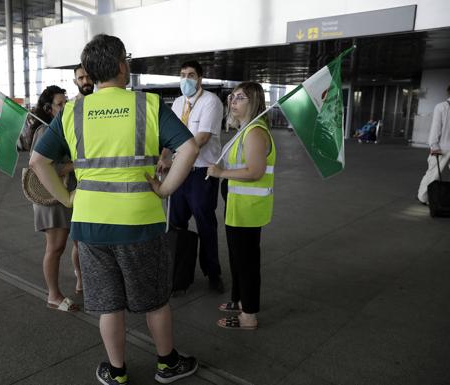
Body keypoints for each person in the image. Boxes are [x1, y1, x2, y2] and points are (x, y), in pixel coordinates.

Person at [30, 34, 200, 385]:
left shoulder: (73, 111)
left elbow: (37, 162)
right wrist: (166, 188)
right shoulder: (148, 105)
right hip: (141, 222)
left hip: (90, 224)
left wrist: (66, 198)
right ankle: (167, 365)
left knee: (108, 304)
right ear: (123, 65)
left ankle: (117, 371)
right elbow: (189, 148)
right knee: (154, 301)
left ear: (90, 73)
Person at [207, 82, 275, 330]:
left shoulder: (255, 132)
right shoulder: (245, 130)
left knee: (246, 262)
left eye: (240, 98)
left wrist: (221, 172)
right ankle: (238, 300)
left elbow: (255, 171)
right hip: (238, 207)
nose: (232, 102)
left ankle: (249, 315)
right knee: (237, 258)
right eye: (232, 97)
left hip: (249, 209)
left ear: (254, 101)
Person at [158, 60, 225, 293]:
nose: (186, 79)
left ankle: (212, 272)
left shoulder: (211, 102)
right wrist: (163, 156)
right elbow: (169, 136)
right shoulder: (177, 103)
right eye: (183, 74)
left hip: (201, 172)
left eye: (191, 75)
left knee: (205, 222)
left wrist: (175, 158)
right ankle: (178, 273)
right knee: (176, 223)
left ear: (200, 79)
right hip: (180, 172)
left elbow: (203, 137)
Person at [28, 85, 82, 311]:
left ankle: (80, 280)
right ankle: (54, 295)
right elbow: (45, 166)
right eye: (60, 104)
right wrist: (76, 164)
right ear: (49, 108)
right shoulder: (45, 131)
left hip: (66, 193)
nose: (65, 106)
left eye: (66, 102)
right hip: (52, 196)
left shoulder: (61, 127)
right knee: (56, 246)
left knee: (75, 241)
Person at [417, 84, 450, 204]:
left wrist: (434, 146)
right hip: (442, 147)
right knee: (433, 173)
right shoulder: (442, 107)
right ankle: (424, 197)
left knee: (433, 173)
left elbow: (436, 129)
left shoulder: (441, 107)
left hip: (442, 147)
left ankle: (424, 197)